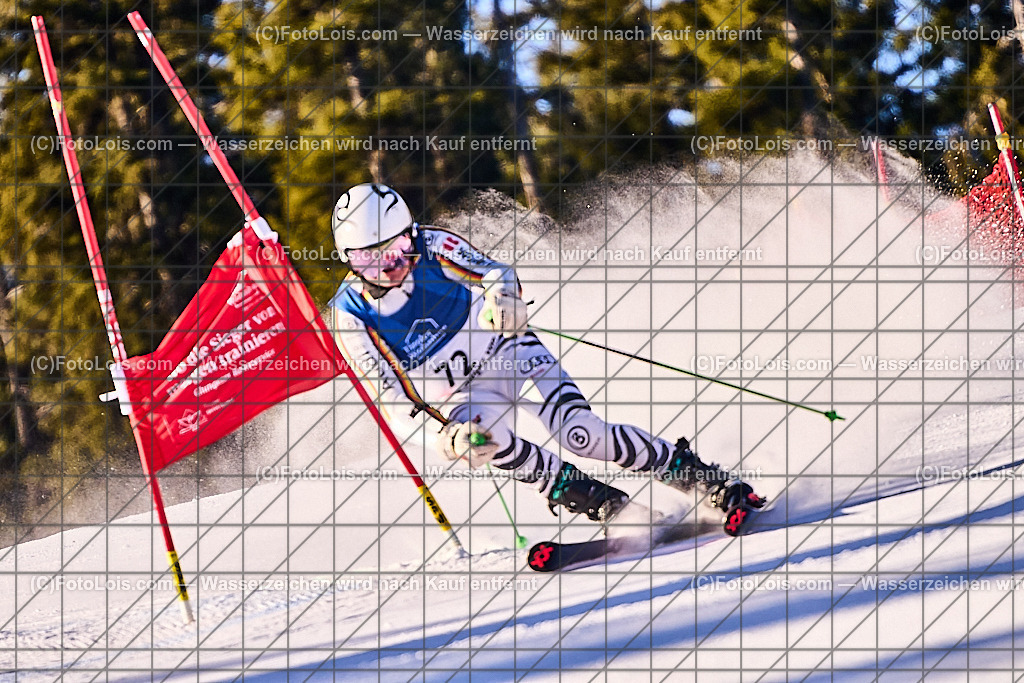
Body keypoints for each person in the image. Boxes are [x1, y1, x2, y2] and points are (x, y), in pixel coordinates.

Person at [330, 183, 764, 525]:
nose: (389, 266)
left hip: (509, 350)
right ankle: (605, 504)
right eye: (370, 260)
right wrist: (443, 440)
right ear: (348, 260)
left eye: (397, 249)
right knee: (482, 444)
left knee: (582, 434)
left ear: (412, 235)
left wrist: (502, 297)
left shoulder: (433, 246)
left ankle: (706, 482)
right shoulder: (351, 315)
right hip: (461, 396)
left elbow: (496, 272)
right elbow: (392, 402)